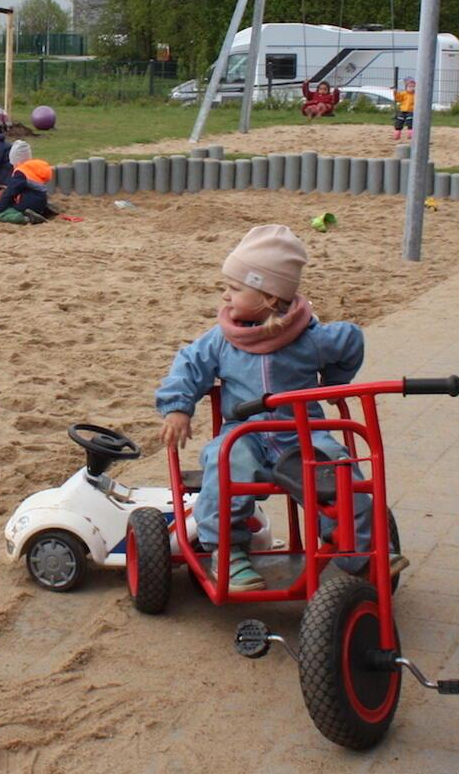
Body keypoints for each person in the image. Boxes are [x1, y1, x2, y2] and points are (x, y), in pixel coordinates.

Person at [157, 225, 374, 593]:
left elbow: (351, 339)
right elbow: (189, 364)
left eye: (236, 289)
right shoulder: (223, 340)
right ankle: (227, 551)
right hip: (246, 435)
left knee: (342, 475)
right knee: (224, 463)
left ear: (270, 297)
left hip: (303, 434)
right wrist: (178, 407)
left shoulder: (309, 339)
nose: (225, 297)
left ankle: (360, 553)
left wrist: (334, 383)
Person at [0, 158, 56, 225]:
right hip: (41, 201)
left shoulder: (21, 172)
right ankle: (40, 213)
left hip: (29, 203)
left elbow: (11, 191)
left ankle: (27, 219)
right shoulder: (30, 171)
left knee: (3, 215)